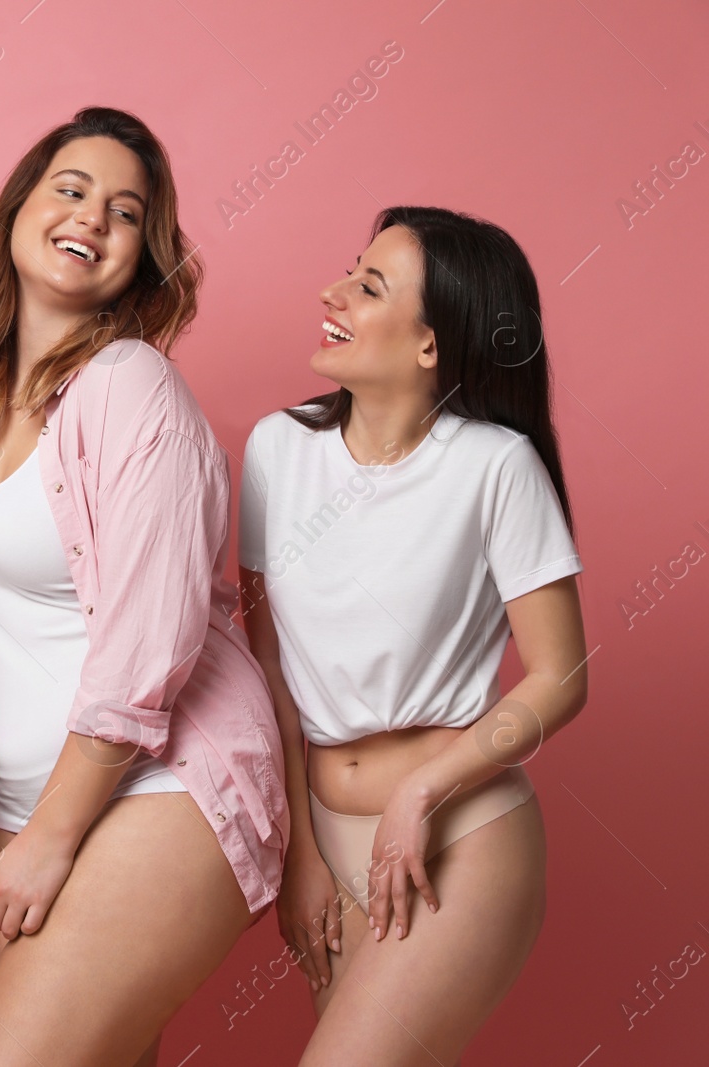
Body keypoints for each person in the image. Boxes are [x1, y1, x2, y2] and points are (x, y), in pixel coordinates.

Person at [0, 106, 290, 1067]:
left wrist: (51, 836)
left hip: (161, 786)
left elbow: (149, 645)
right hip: (21, 807)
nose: (93, 218)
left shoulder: (129, 386)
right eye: (71, 190)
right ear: (17, 213)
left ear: (143, 260)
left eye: (127, 212)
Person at [238, 206, 588, 1065]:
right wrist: (298, 855)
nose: (333, 293)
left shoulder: (495, 465)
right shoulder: (277, 449)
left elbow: (562, 675)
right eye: (349, 271)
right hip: (326, 829)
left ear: (431, 345)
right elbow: (266, 663)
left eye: (368, 286)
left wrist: (421, 794)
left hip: (457, 835)